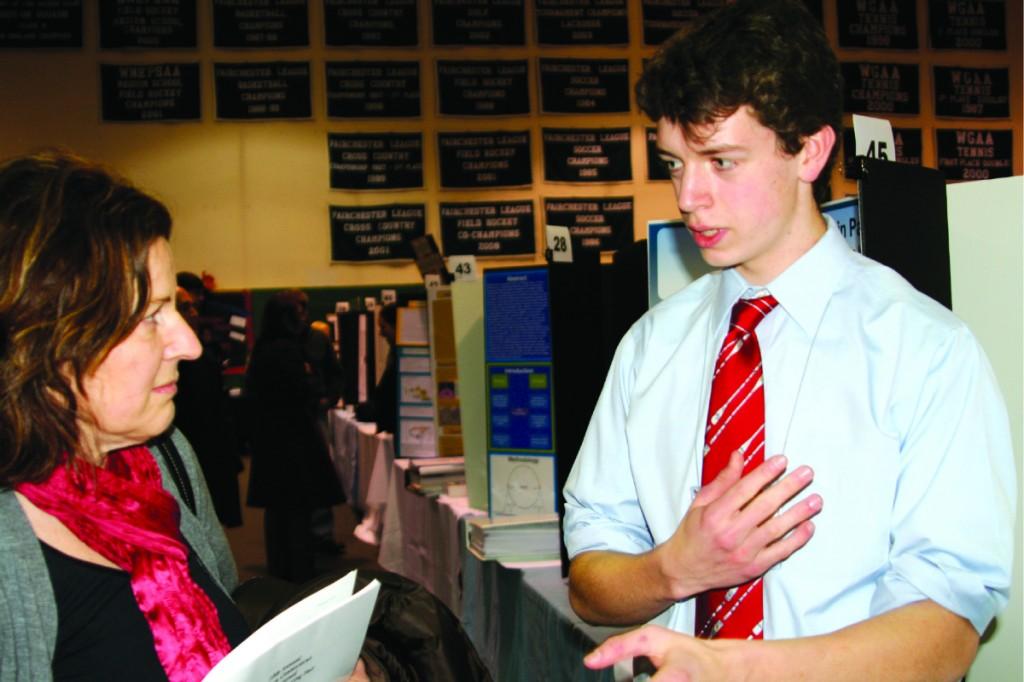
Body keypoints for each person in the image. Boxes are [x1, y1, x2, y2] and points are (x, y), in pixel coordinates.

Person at [562, 1, 1015, 680]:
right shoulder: (649, 348)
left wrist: (734, 668)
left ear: (810, 150)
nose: (689, 196)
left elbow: (946, 633)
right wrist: (672, 568)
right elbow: (588, 582)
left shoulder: (924, 350)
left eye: (721, 161)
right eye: (674, 164)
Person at [0, 150, 367, 681]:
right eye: (152, 316)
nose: (190, 344)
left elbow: (224, 620)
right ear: (47, 342)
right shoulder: (14, 547)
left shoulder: (160, 459)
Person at [245, 291, 345, 583]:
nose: (304, 319)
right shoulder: (288, 351)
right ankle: (299, 571)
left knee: (279, 515)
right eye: (299, 314)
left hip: (272, 444)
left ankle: (283, 568)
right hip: (294, 444)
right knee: (297, 515)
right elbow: (304, 392)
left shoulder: (264, 349)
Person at [173, 286, 244, 527]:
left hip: (211, 447)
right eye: (185, 307)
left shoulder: (198, 350)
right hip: (191, 450)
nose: (193, 312)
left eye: (194, 306)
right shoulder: (175, 358)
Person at [355, 304, 398, 435]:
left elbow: (386, 397)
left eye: (384, 327)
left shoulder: (398, 358)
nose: (381, 333)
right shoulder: (395, 354)